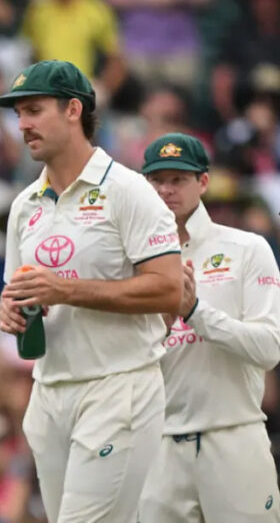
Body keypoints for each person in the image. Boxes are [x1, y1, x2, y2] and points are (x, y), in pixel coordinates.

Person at [0, 60, 183, 522]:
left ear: (73, 110)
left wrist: (65, 289)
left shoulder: (128, 190)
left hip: (119, 386)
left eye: (34, 110)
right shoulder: (24, 206)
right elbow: (19, 290)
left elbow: (169, 290)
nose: (23, 125)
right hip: (49, 392)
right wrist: (11, 308)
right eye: (18, 114)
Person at [139, 133, 280, 522]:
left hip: (234, 437)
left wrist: (196, 312)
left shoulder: (247, 249)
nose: (166, 190)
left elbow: (269, 348)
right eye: (157, 180)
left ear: (203, 182)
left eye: (178, 179)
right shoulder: (130, 260)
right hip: (159, 446)